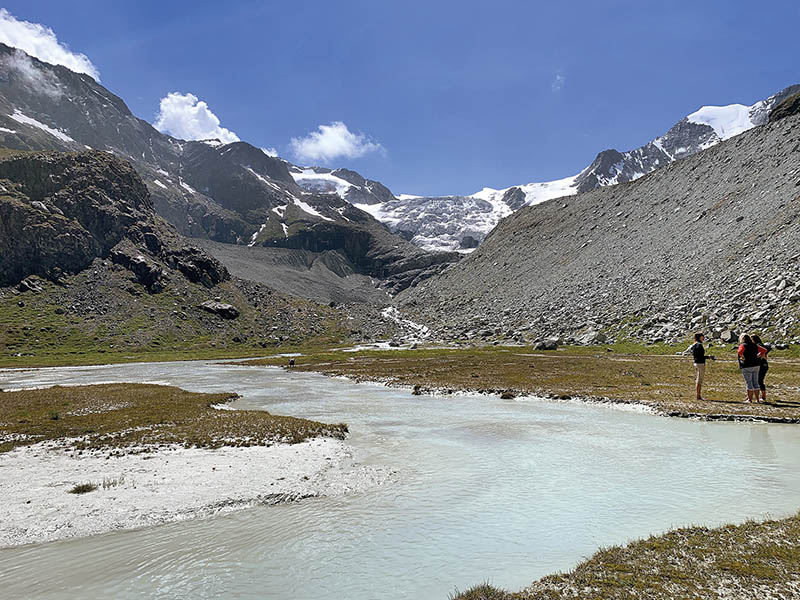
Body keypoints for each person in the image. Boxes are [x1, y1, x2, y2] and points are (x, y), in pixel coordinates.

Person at [686, 332, 715, 400]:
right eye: (703, 336)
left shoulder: (694, 344)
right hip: (700, 363)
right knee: (699, 380)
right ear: (700, 337)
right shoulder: (699, 345)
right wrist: (708, 357)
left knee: (698, 379)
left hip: (696, 363)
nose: (704, 338)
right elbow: (700, 356)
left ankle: (698, 395)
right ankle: (698, 396)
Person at [737, 334, 761, 403]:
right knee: (756, 382)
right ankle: (757, 399)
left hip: (747, 365)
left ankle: (750, 399)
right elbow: (764, 350)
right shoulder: (754, 345)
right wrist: (759, 355)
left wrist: (742, 357)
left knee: (749, 382)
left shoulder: (743, 345)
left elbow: (739, 351)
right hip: (756, 364)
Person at [751, 334, 771, 402]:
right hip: (761, 364)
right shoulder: (757, 345)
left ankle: (763, 396)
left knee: (759, 381)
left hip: (762, 365)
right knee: (757, 380)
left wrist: (761, 354)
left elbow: (767, 348)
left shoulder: (758, 345)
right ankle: (758, 395)